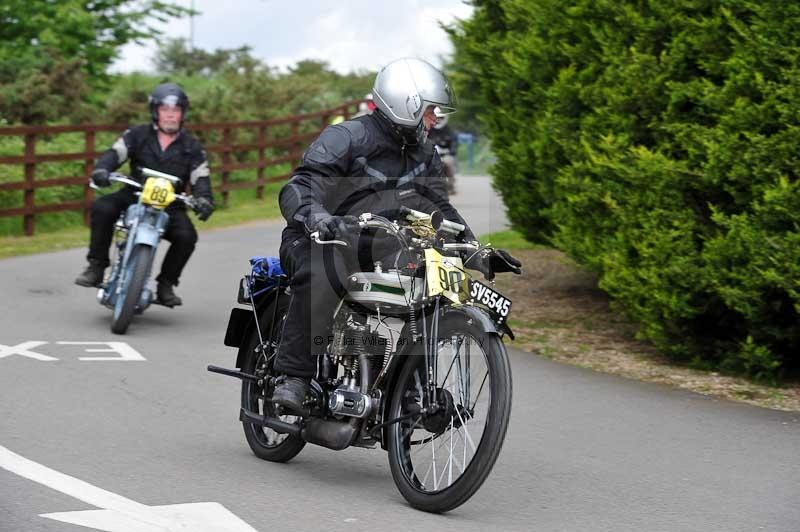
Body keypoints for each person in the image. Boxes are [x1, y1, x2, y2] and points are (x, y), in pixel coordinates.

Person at [270, 58, 521, 412]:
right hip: (320, 238)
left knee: (431, 285)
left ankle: (409, 388)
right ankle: (293, 376)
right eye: (431, 110)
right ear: (408, 103)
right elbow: (300, 187)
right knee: (323, 274)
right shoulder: (346, 138)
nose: (436, 119)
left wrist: (476, 252)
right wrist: (319, 218)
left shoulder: (426, 154)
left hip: (380, 246)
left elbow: (439, 212)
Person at [74, 83, 215, 307]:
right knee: (102, 207)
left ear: (182, 114)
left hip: (170, 204)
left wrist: (205, 199)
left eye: (176, 110)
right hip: (134, 193)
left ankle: (166, 284)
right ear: (155, 111)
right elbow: (115, 153)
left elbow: (201, 177)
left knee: (187, 237)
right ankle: (96, 266)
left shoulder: (193, 147)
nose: (170, 115)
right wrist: (103, 169)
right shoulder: (137, 134)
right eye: (165, 110)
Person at [427, 114, 459, 193]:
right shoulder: (429, 130)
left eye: (441, 118)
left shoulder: (449, 131)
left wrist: (452, 151)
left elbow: (454, 143)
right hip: (431, 155)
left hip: (446, 155)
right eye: (437, 118)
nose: (439, 120)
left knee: (449, 163)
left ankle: (451, 185)